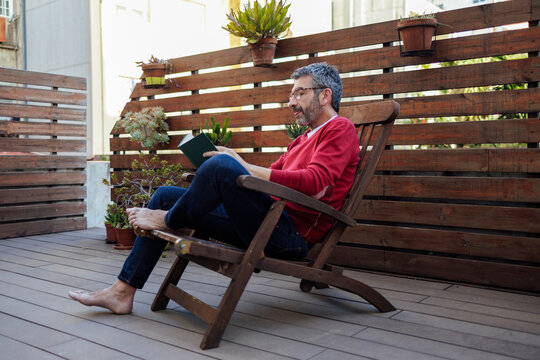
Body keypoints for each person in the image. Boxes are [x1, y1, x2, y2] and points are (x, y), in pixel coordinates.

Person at [68, 62, 360, 314]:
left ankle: (170, 221)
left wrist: (236, 165)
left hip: (289, 235)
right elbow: (272, 177)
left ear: (324, 96)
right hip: (267, 220)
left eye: (300, 92)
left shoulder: (340, 128)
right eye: (291, 93)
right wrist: (236, 164)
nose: (291, 101)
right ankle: (122, 293)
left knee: (219, 168)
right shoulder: (301, 140)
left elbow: (315, 184)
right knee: (164, 197)